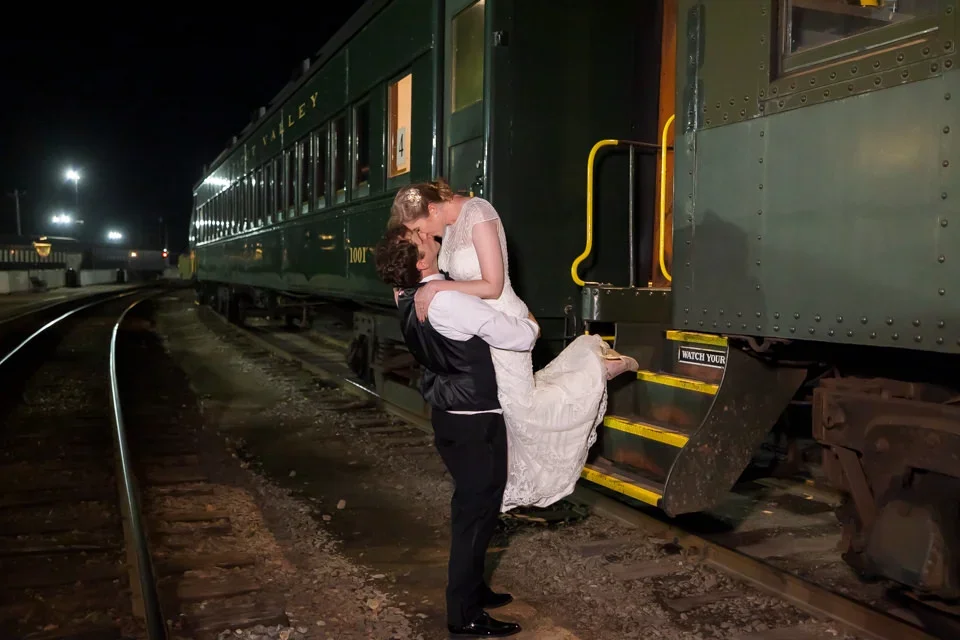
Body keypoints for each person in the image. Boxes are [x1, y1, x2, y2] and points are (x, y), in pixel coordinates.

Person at [387, 180, 639, 513]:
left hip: (502, 318)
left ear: (432, 209)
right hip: (478, 324)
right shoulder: (446, 225)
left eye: (418, 229)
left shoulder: (478, 213)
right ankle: (491, 489)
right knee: (510, 410)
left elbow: (492, 286)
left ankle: (597, 366)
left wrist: (438, 289)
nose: (422, 237)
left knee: (523, 408)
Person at [374, 224, 533, 638]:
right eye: (422, 238)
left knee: (475, 508)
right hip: (475, 418)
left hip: (450, 413)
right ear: (422, 261)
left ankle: (475, 588)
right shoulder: (449, 304)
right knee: (475, 513)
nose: (429, 234)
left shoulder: (407, 296)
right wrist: (529, 320)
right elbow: (518, 337)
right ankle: (463, 614)